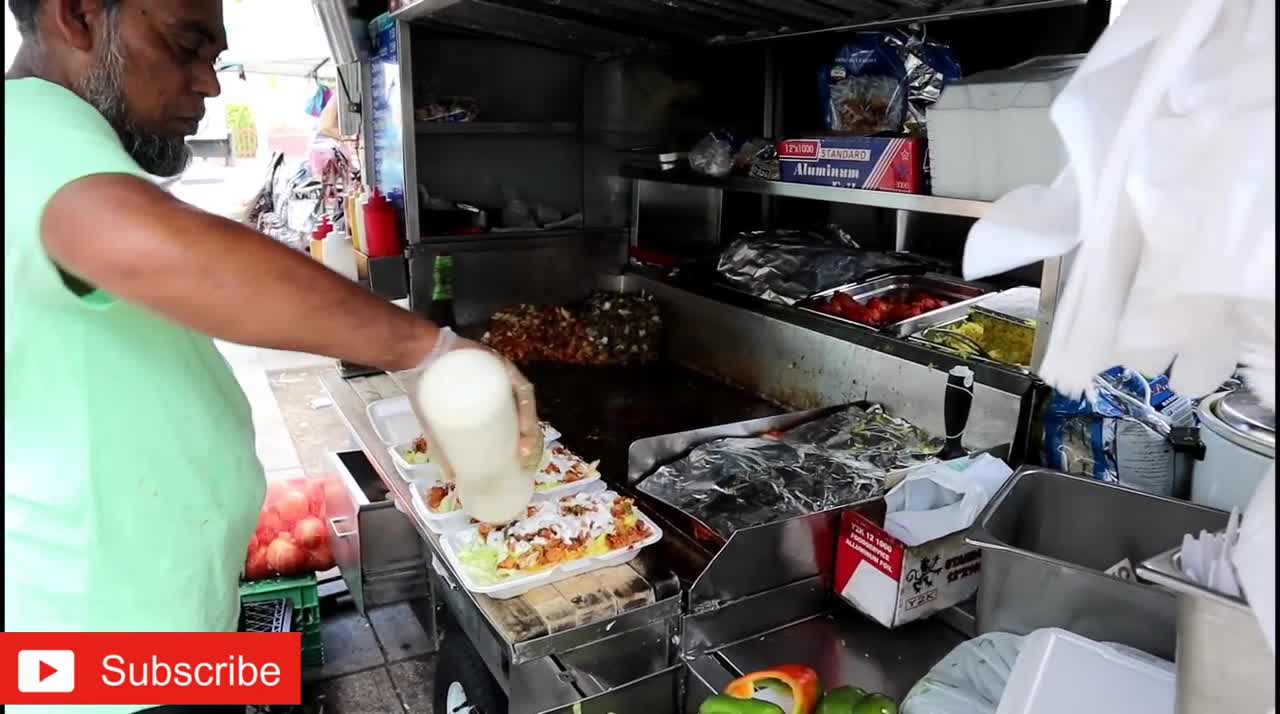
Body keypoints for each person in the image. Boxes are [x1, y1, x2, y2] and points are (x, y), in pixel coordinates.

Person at [3, 1, 540, 708]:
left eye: (215, 57)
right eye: (186, 44)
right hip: (97, 650)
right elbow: (165, 250)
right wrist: (426, 349)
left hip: (141, 630)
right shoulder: (29, 128)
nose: (210, 84)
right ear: (76, 16)